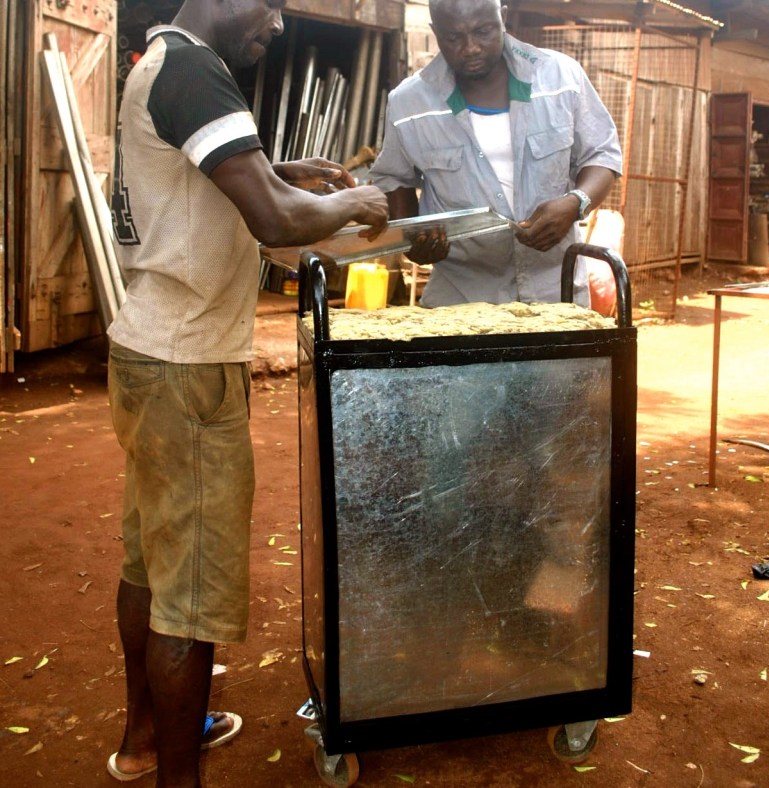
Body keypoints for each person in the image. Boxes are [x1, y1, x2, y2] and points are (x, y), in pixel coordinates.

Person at [105, 0, 388, 784]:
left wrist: (282, 171)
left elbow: (217, 183)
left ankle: (143, 738)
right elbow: (272, 217)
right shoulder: (197, 69)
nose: (278, 24)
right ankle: (177, 776)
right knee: (190, 597)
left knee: (150, 563)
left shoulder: (162, 63)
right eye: (270, 5)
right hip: (190, 368)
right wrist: (354, 203)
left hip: (148, 349)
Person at [369, 0, 622, 308]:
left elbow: (602, 154)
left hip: (557, 292)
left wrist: (575, 203)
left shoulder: (560, 77)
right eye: (453, 37)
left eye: (483, 31)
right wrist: (412, 238)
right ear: (435, 31)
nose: (470, 48)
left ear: (502, 17)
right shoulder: (409, 103)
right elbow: (394, 179)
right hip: (460, 299)